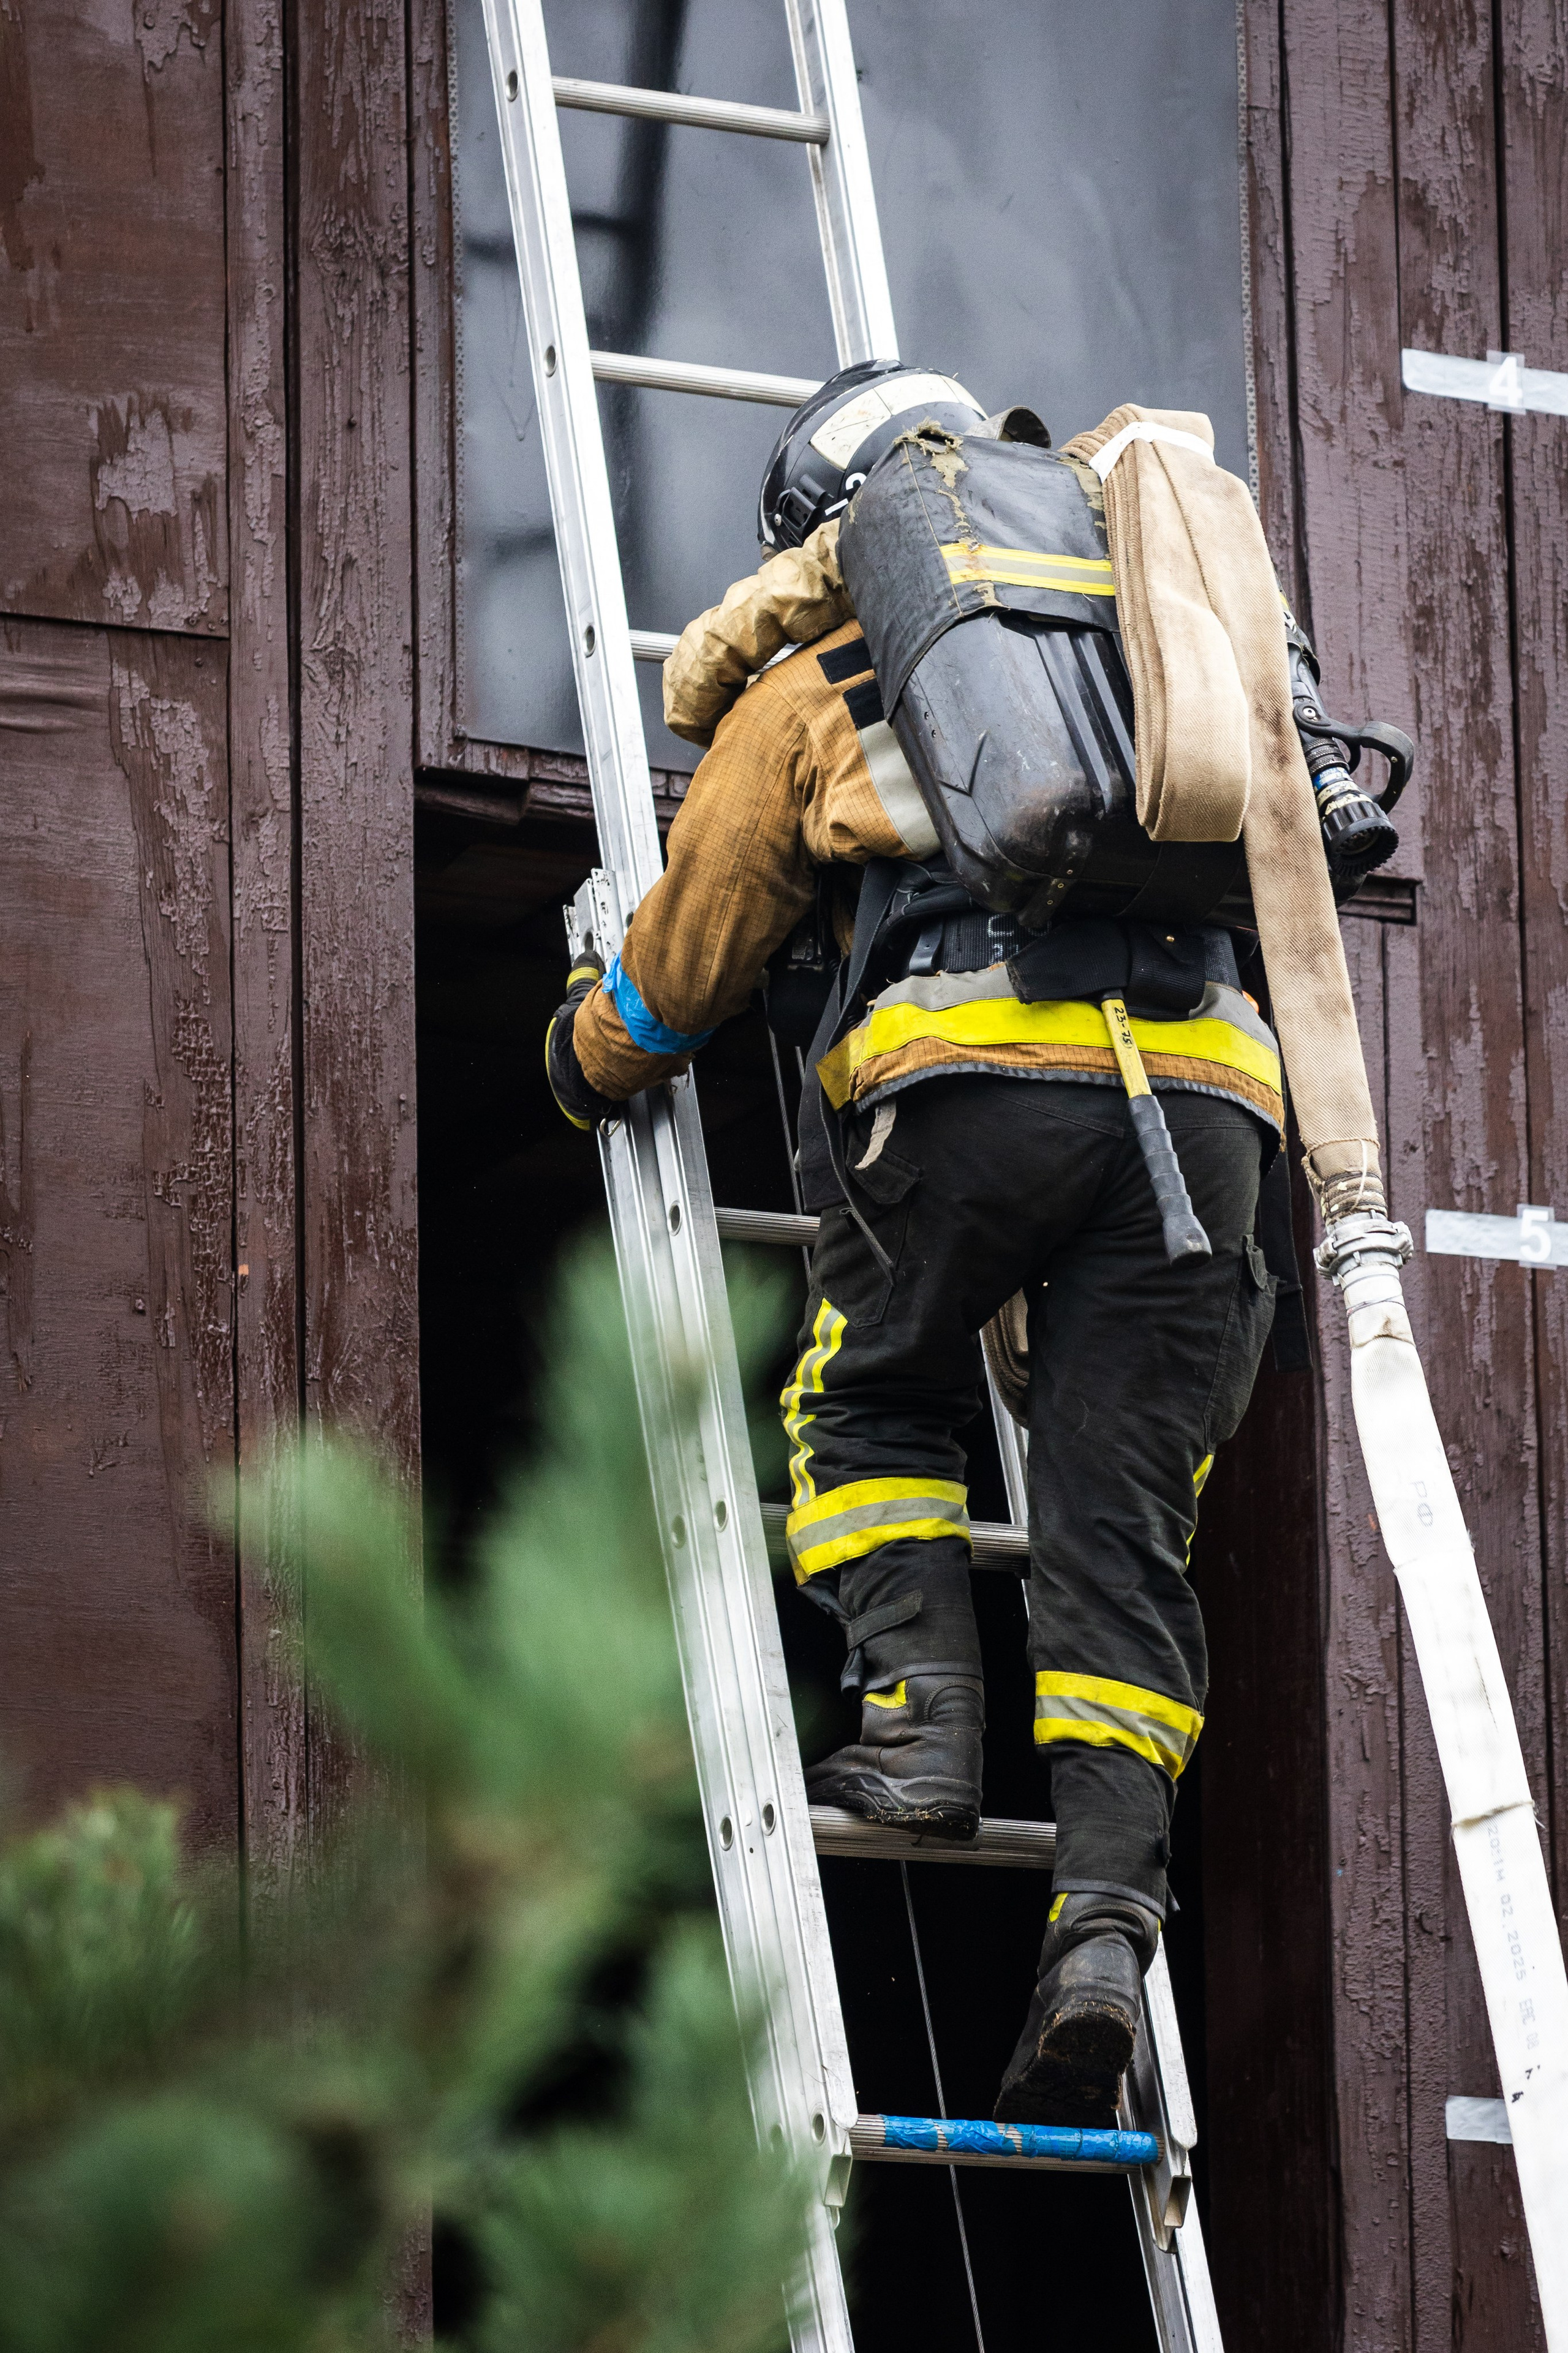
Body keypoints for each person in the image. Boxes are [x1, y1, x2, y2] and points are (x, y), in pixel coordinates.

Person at [546, 361, 1282, 2127]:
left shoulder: (829, 669)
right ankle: (1104, 1920)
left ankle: (922, 1726)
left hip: (959, 1090)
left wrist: (583, 1050)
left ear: (827, 535)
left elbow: (692, 964)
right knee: (1122, 1526)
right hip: (1209, 1118)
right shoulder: (1156, 637)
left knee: (870, 1402)